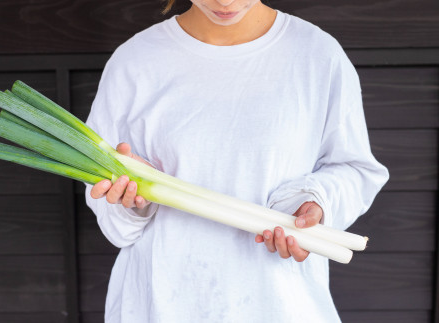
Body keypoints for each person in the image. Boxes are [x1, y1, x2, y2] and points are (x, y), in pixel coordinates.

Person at [84, 0, 389, 322]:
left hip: (278, 302)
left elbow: (354, 168)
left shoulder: (316, 53)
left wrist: (317, 204)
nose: (225, 2)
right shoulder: (136, 60)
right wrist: (132, 199)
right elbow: (109, 205)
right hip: (163, 300)